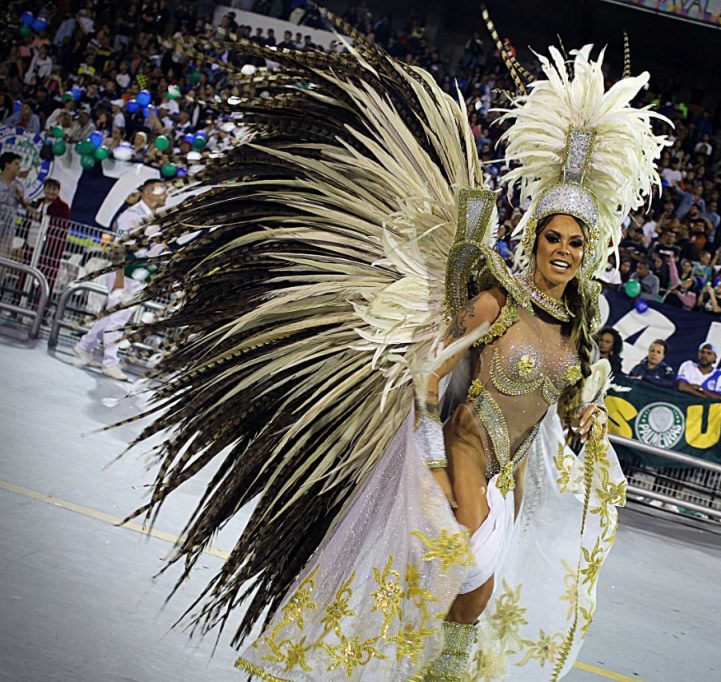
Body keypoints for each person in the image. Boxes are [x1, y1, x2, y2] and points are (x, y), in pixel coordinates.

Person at [119, 37, 667, 681]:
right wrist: (431, 464)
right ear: (537, 237)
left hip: (508, 478)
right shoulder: (496, 301)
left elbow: (569, 400)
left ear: (590, 248)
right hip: (460, 449)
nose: (564, 251)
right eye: (553, 237)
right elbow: (429, 373)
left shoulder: (578, 324)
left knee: (469, 600)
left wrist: (589, 416)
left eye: (576, 242)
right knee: (468, 578)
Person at [72, 179, 167, 380]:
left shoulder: (156, 218)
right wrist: (119, 278)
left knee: (111, 315)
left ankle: (84, 346)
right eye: (161, 191)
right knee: (118, 317)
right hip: (124, 271)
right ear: (148, 193)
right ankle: (110, 362)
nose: (165, 195)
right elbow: (120, 248)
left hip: (140, 271)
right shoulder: (132, 215)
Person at [0, 152, 31, 259]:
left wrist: (21, 196)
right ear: (7, 166)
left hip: (8, 229)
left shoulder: (19, 186)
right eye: (16, 164)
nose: (19, 167)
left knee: (3, 258)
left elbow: (27, 205)